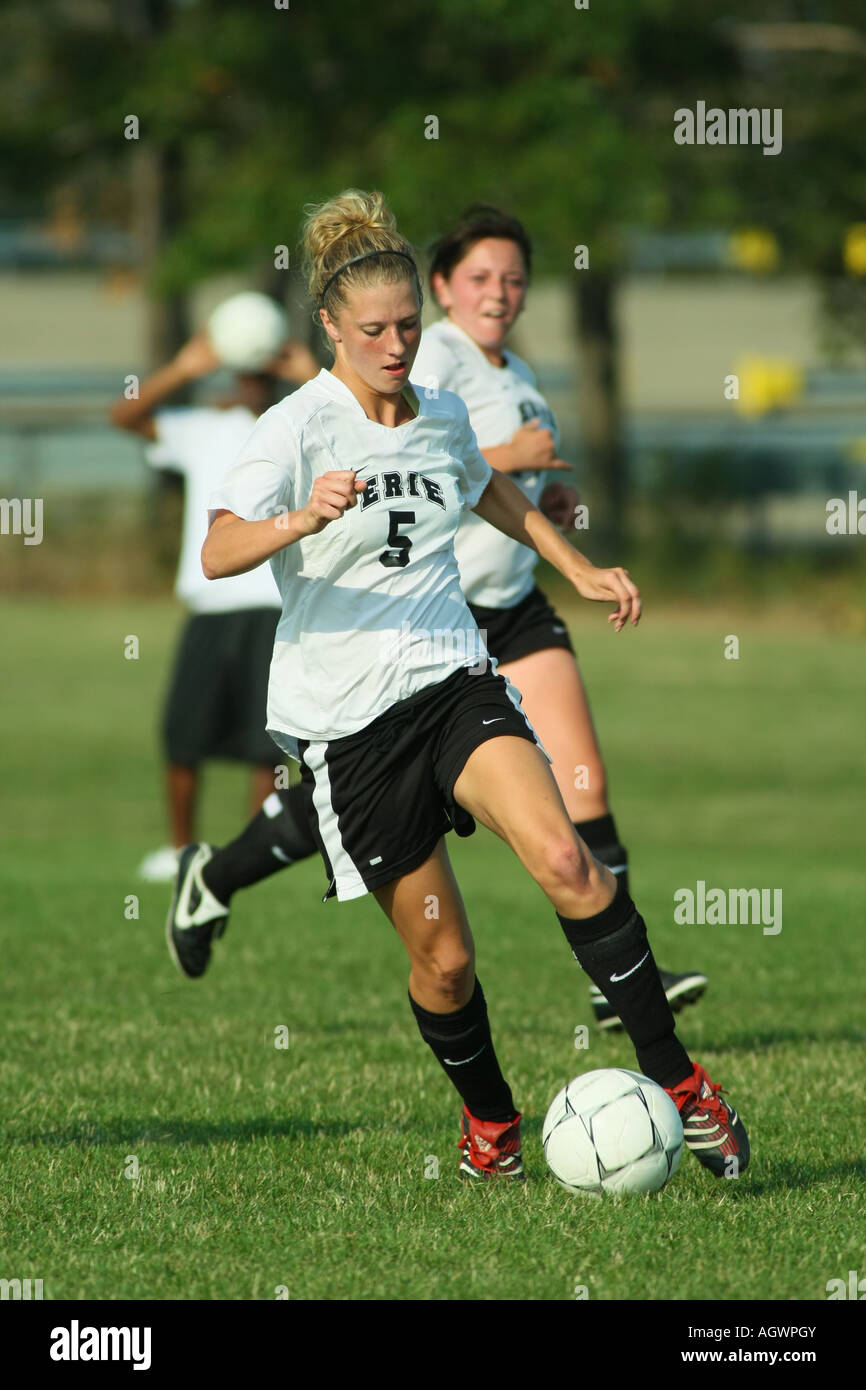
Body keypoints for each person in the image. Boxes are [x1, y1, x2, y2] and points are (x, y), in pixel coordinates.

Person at [194, 188, 749, 1181]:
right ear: (329, 326)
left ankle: (679, 1082)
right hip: (347, 730)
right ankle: (489, 1122)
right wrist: (296, 520)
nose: (397, 345)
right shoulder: (295, 429)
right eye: (373, 330)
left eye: (408, 325)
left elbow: (480, 483)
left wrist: (573, 566)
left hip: (452, 682)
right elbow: (218, 545)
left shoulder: (442, 411)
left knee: (568, 863)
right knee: (446, 965)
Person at [109, 323, 319, 881]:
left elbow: (362, 423)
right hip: (210, 604)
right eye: (245, 372)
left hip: (276, 605)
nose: (252, 383)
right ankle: (181, 850)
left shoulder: (301, 424)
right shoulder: (204, 426)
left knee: (263, 742)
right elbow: (122, 417)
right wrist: (183, 369)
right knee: (183, 733)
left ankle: (251, 857)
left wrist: (310, 377)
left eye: (263, 373)